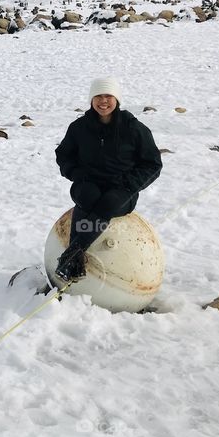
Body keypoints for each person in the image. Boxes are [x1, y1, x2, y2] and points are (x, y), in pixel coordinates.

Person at [53, 78, 163, 283]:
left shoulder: (134, 129)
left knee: (109, 203)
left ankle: (73, 254)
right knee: (88, 196)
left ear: (116, 99)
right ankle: (74, 258)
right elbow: (64, 155)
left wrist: (130, 185)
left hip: (122, 188)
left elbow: (153, 164)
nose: (103, 101)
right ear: (91, 100)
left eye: (108, 96)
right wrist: (77, 174)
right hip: (87, 183)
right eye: (98, 97)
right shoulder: (79, 127)